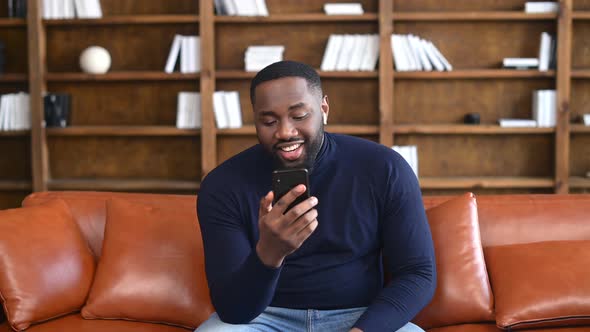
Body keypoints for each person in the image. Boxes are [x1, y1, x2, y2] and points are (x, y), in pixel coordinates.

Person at [196, 60, 436, 332]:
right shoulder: (222, 185)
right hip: (264, 319)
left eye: (298, 116)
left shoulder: (384, 168)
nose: (285, 132)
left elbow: (418, 273)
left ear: (324, 109)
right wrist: (269, 253)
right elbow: (234, 310)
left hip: (360, 317)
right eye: (269, 121)